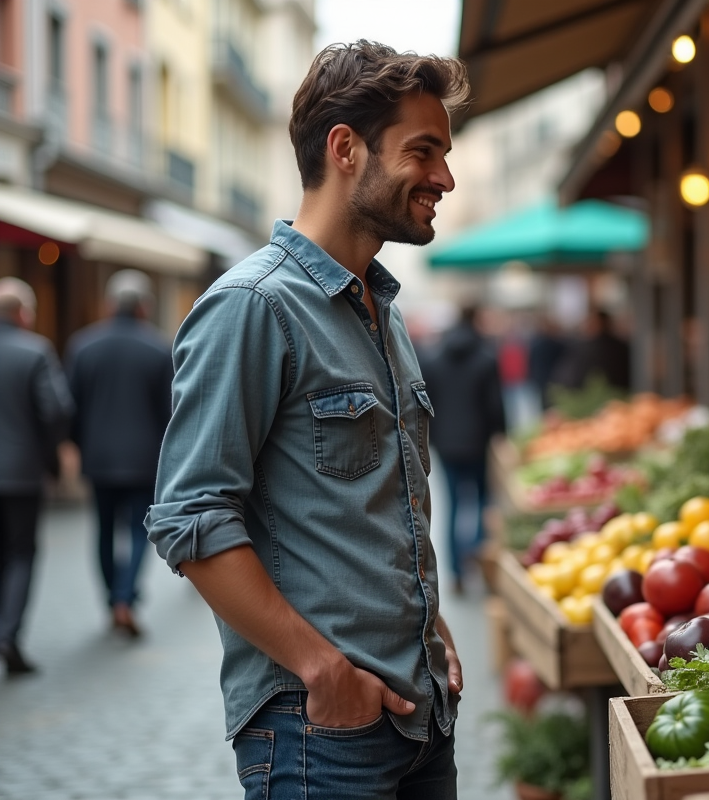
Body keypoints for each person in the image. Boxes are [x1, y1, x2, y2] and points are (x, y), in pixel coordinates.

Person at [145, 41, 467, 798]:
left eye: (445, 154)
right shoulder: (253, 307)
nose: (444, 178)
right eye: (423, 152)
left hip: (422, 721)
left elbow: (375, 506)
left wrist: (431, 625)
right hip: (320, 733)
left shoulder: (381, 315)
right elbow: (191, 517)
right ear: (346, 149)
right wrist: (322, 669)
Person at [66, 269, 173, 637]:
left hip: (98, 457)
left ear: (110, 305)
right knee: (139, 531)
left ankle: (114, 598)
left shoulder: (82, 346)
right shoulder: (160, 349)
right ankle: (126, 597)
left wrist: (78, 446)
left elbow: (72, 406)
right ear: (144, 307)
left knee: (104, 530)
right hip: (145, 459)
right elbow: (168, 411)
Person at [0, 277, 74, 675]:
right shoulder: (35, 351)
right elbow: (56, 411)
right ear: (23, 314)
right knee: (20, 553)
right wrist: (51, 458)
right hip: (21, 473)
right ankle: (8, 634)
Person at [420, 306, 507, 595]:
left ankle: (457, 571)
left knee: (454, 505)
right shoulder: (485, 358)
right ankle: (480, 561)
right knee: (482, 502)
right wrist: (501, 435)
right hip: (478, 442)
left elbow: (424, 403)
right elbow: (496, 406)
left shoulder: (434, 358)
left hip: (446, 443)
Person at [551, 308, 631, 392]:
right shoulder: (621, 346)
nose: (586, 326)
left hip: (592, 395)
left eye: (590, 323)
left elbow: (574, 375)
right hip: (616, 393)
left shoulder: (587, 348)